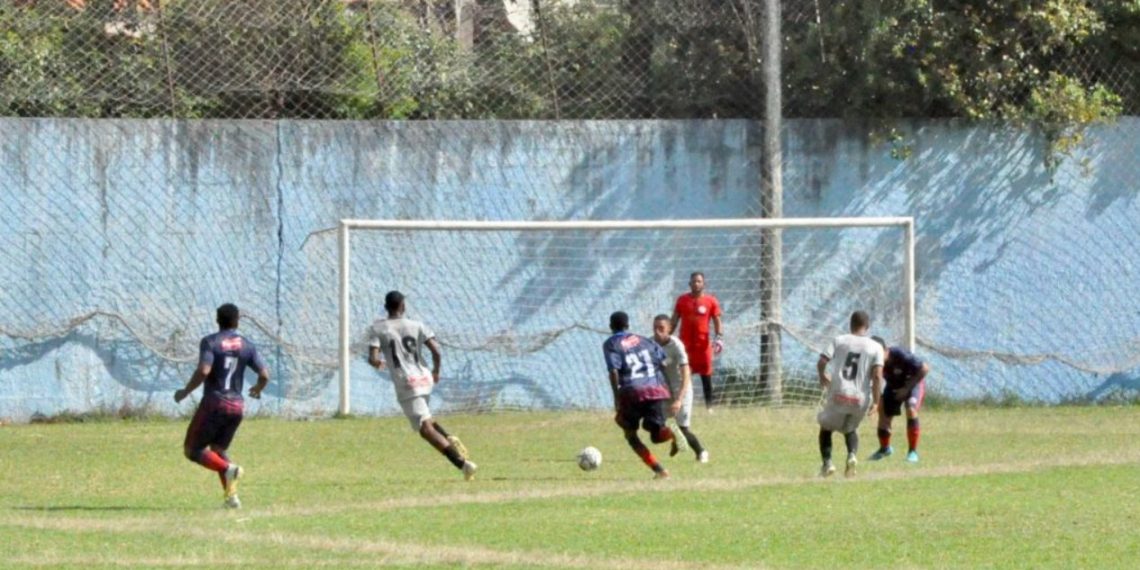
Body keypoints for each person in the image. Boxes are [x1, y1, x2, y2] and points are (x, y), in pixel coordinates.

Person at [368, 290, 477, 481]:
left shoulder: (378, 328)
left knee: (425, 430)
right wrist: (436, 371)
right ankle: (448, 438)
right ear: (403, 306)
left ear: (386, 307)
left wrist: (377, 363)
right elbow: (436, 351)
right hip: (425, 378)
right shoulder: (417, 325)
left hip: (407, 383)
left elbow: (373, 357)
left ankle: (463, 464)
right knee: (426, 419)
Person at [174, 303, 269, 509]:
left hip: (215, 403)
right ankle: (231, 498)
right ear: (237, 321)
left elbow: (204, 370)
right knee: (217, 449)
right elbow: (264, 375)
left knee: (192, 450)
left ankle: (228, 469)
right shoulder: (247, 345)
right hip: (236, 407)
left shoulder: (210, 342)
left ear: (217, 320)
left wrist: (186, 391)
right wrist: (257, 389)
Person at [603, 311, 685, 479]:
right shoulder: (645, 340)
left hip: (631, 392)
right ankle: (672, 432)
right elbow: (663, 360)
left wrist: (616, 397)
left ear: (611, 326)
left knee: (631, 435)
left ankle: (660, 471)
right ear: (628, 325)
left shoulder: (611, 343)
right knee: (656, 435)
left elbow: (613, 371)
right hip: (655, 389)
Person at [815, 310, 884, 478]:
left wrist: (822, 375)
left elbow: (822, 361)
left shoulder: (839, 340)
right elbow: (877, 376)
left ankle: (827, 464)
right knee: (851, 427)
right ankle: (852, 455)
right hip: (860, 398)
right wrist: (876, 402)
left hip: (839, 393)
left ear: (850, 324)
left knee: (826, 428)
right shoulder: (876, 347)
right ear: (867, 326)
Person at [652, 314, 709, 463]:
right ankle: (676, 439)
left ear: (669, 328)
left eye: (661, 328)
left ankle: (701, 452)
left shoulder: (676, 345)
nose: (657, 332)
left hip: (681, 389)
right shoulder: (650, 344)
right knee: (659, 426)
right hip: (664, 390)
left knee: (683, 428)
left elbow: (686, 373)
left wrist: (679, 399)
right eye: (655, 328)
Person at [869, 337, 930, 463]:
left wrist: (906, 389)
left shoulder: (900, 354)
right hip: (893, 385)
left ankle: (912, 452)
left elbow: (924, 368)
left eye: (879, 354)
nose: (876, 358)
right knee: (883, 411)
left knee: (911, 409)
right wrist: (876, 400)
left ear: (886, 350)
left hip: (912, 383)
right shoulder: (872, 361)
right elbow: (873, 379)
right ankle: (884, 449)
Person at [671, 272, 723, 412]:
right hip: (685, 346)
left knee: (706, 375)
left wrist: (719, 337)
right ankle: (682, 404)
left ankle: (709, 407)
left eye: (699, 281)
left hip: (703, 347)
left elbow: (717, 320)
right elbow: (674, 320)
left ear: (704, 284)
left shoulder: (711, 301)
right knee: (684, 376)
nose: (696, 284)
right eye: (694, 281)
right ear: (689, 284)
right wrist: (667, 336)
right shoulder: (682, 300)